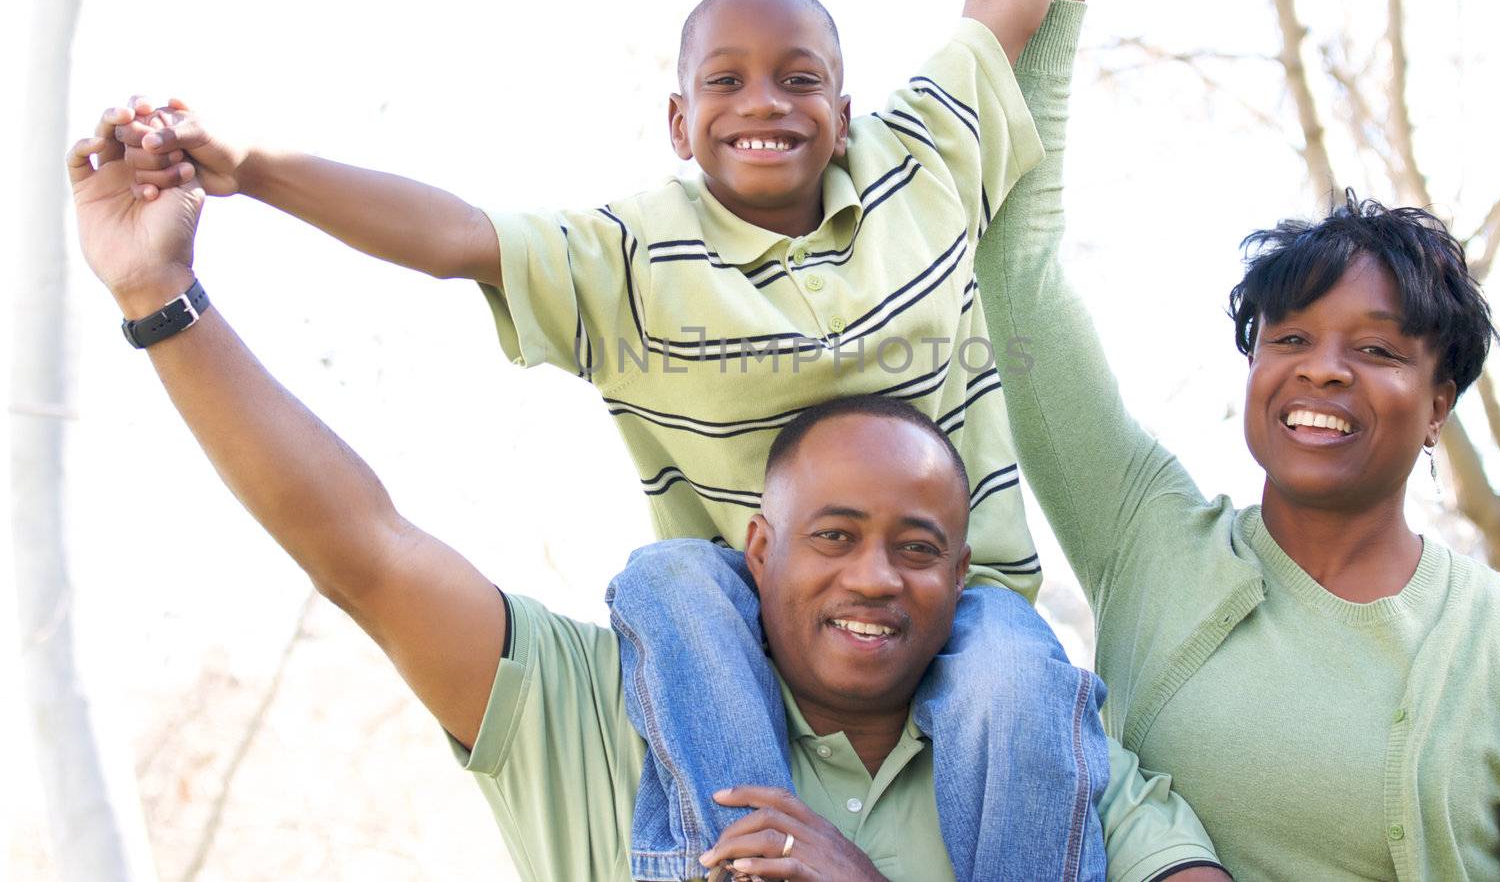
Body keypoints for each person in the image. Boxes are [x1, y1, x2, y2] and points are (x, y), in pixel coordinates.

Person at [100, 0, 1140, 878]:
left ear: (844, 106)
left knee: (1020, 680)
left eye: (798, 78)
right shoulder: (630, 259)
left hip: (968, 608)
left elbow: (1000, 14)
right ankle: (735, 855)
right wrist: (251, 170)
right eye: (726, 84)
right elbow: (454, 237)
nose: (765, 103)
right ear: (681, 124)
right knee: (666, 582)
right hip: (741, 617)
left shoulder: (912, 165)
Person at [64, 111, 1230, 881]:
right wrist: (162, 297)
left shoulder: (1050, 753)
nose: (875, 573)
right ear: (755, 548)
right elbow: (362, 550)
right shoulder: (605, 712)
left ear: (961, 569)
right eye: (834, 535)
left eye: (919, 546)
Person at [972, 0, 1500, 882]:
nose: (1322, 368)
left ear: (1438, 405)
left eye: (1376, 347)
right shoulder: (1148, 538)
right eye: (1291, 338)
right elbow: (1016, 268)